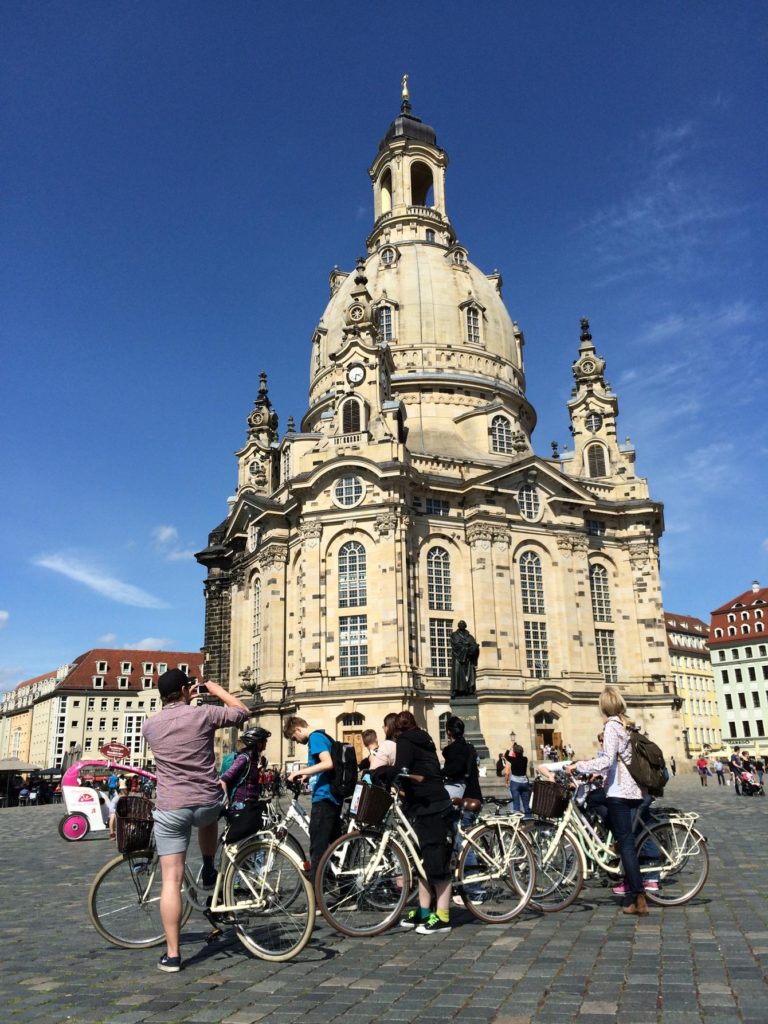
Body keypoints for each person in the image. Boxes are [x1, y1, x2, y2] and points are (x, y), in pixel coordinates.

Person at [141, 668, 250, 973]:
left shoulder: (150, 726)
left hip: (171, 806)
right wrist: (214, 688)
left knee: (171, 881)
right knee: (208, 815)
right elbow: (243, 712)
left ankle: (173, 955)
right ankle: (209, 865)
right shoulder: (203, 715)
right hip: (206, 802)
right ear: (188, 689)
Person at [566, 685, 649, 916]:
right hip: (632, 790)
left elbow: (607, 761)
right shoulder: (628, 724)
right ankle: (614, 843)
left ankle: (638, 898)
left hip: (620, 792)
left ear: (604, 707)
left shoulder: (612, 726)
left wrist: (578, 765)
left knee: (627, 845)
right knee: (595, 800)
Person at [373, 711, 455, 934]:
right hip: (428, 800)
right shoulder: (424, 738)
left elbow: (400, 768)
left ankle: (444, 916)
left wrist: (380, 773)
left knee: (436, 861)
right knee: (423, 861)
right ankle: (424, 910)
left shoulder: (407, 741)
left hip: (430, 805)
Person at [284, 717, 342, 883]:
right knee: (334, 845)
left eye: (294, 738)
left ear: (297, 729)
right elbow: (323, 768)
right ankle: (342, 888)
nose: (296, 741)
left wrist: (300, 772)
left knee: (317, 848)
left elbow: (327, 763)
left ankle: (317, 895)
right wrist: (307, 776)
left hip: (324, 798)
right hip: (329, 797)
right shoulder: (320, 737)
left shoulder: (315, 738)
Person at [219, 727, 272, 839]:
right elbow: (223, 779)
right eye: (264, 741)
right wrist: (226, 801)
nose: (266, 743)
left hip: (250, 805)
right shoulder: (243, 758)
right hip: (241, 806)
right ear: (257, 743)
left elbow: (249, 779)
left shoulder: (253, 759)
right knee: (253, 844)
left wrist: (259, 770)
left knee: (254, 843)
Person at [450, 620, 479, 697]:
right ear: (458, 626)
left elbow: (473, 645)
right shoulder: (454, 635)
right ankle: (456, 690)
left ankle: (469, 690)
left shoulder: (470, 636)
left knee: (470, 674)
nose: (461, 625)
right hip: (457, 657)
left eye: (463, 624)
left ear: (465, 626)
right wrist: (467, 648)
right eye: (460, 624)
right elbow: (456, 645)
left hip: (468, 658)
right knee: (457, 673)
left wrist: (472, 648)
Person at [505, 743, 532, 817]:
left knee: (516, 803)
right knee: (526, 803)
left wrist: (510, 747)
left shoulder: (513, 759)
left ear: (514, 753)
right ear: (522, 752)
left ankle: (517, 820)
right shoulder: (525, 759)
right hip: (524, 782)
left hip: (515, 782)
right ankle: (529, 819)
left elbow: (506, 756)